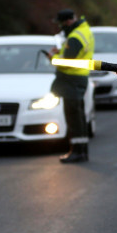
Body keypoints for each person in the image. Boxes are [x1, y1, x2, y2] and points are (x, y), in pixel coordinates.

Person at [48, 9, 94, 163]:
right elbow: (76, 54)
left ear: (67, 22)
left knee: (73, 117)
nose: (60, 28)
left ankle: (77, 152)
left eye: (61, 24)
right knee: (78, 116)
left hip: (72, 80)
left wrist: (52, 57)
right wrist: (61, 51)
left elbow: (66, 61)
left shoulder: (75, 37)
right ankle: (82, 151)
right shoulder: (84, 31)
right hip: (80, 78)